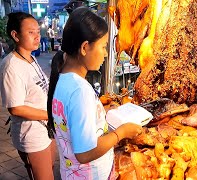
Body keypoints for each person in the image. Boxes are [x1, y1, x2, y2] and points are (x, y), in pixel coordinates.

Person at [47, 7, 142, 179]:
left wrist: (101, 113)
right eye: (104, 46)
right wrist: (121, 133)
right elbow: (84, 153)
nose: (106, 54)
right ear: (84, 48)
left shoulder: (63, 79)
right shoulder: (79, 90)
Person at [0, 12, 56, 179]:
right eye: (31, 32)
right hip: (32, 135)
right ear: (15, 35)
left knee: (49, 170)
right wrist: (51, 115)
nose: (37, 36)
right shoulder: (11, 66)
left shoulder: (30, 57)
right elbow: (15, 108)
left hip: (46, 129)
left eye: (38, 31)